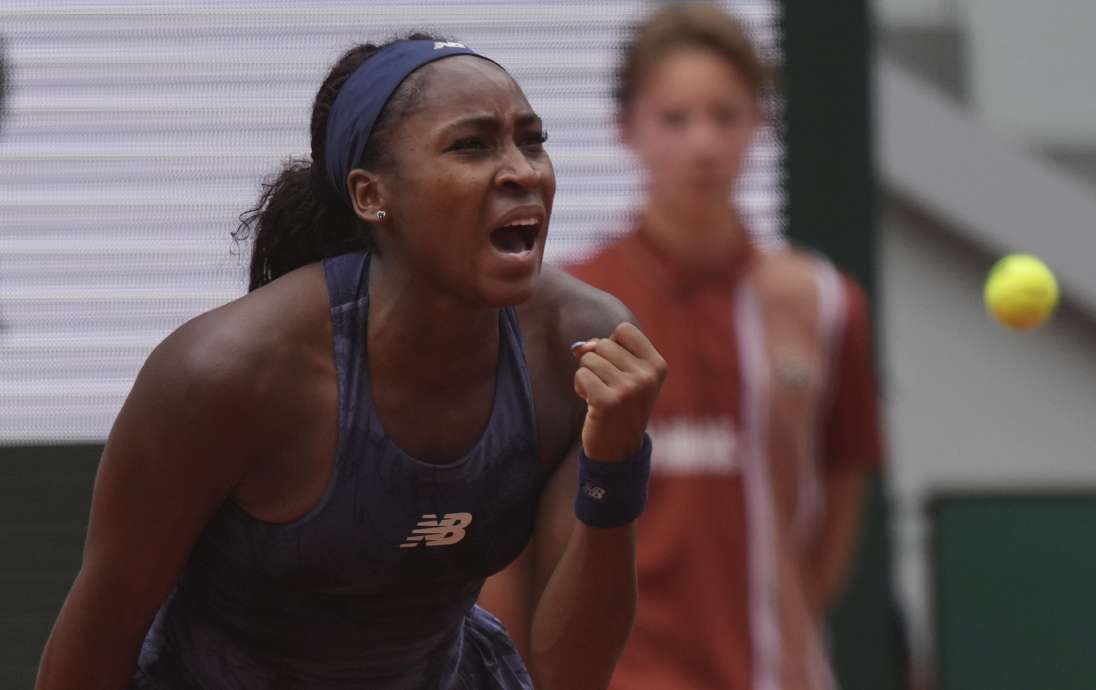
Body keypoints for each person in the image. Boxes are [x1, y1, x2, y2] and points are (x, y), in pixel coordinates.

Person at [34, 33, 666, 690]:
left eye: (531, 141)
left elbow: (574, 670)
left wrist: (615, 461)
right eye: (472, 145)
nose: (523, 171)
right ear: (370, 196)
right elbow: (97, 638)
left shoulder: (579, 343)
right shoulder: (227, 374)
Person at [484, 5, 885, 690]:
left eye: (725, 116)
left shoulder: (825, 303)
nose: (702, 143)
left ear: (761, 125)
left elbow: (840, 503)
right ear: (627, 129)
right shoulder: (561, 308)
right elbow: (505, 533)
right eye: (675, 119)